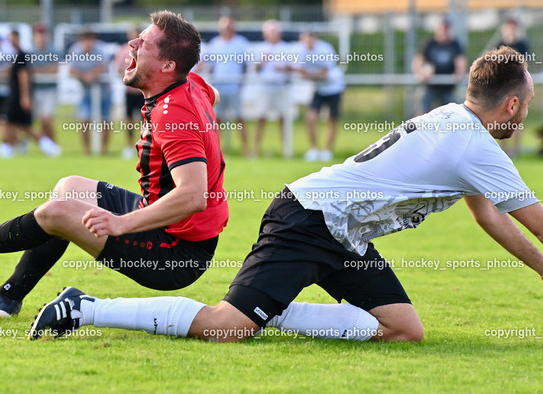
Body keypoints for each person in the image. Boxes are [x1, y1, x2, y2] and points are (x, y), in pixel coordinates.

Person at [29, 47, 543, 344]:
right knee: (225, 328)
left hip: (342, 232)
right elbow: (535, 222)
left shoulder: (453, 120)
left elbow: (490, 217)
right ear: (512, 105)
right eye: (528, 105)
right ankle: (86, 308)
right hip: (309, 219)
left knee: (403, 330)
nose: (526, 116)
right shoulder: (476, 147)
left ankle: (271, 308)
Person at [0, 11, 229, 319]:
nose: (132, 44)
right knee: (69, 188)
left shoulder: (173, 113)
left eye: (143, 43)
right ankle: (7, 297)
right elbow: (210, 96)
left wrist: (121, 224)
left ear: (168, 65)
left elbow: (193, 195)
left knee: (57, 213)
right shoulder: (191, 84)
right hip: (171, 228)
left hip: (177, 255)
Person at [0, 30, 59, 158]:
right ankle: (11, 147)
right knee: (18, 125)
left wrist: (25, 96)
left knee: (13, 123)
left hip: (17, 95)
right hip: (15, 94)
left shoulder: (22, 55)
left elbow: (24, 76)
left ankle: (48, 146)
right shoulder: (15, 55)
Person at [295, 31, 345, 162]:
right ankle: (314, 149)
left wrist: (308, 74)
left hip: (334, 88)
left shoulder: (325, 49)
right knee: (310, 118)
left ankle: (327, 151)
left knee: (332, 119)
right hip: (319, 89)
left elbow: (324, 74)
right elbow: (301, 72)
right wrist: (311, 74)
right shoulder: (302, 52)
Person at [204, 16, 250, 156]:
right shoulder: (215, 43)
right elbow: (210, 66)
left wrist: (241, 82)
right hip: (218, 87)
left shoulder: (241, 43)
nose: (227, 29)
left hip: (234, 87)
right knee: (216, 120)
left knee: (239, 118)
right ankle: (215, 151)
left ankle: (246, 150)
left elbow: (245, 65)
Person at [68, 29, 112, 155]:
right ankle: (86, 150)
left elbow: (103, 66)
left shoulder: (101, 49)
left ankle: (103, 150)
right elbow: (71, 70)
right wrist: (85, 75)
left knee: (105, 121)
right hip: (85, 92)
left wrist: (91, 74)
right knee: (84, 120)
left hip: (104, 92)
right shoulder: (75, 50)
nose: (88, 42)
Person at [413, 18, 466, 114]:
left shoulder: (455, 44)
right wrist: (421, 73)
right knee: (423, 110)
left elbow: (460, 62)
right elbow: (419, 60)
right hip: (430, 85)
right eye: (442, 28)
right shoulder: (429, 43)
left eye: (446, 29)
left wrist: (458, 73)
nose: (444, 31)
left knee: (449, 113)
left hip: (448, 86)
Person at [254, 19, 291, 157]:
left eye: (275, 31)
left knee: (283, 119)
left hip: (281, 87)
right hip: (265, 87)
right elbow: (256, 68)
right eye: (271, 32)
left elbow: (292, 67)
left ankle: (286, 151)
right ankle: (256, 150)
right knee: (260, 118)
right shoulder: (260, 48)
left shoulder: (286, 48)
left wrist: (283, 68)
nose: (273, 34)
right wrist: (263, 60)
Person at [496, 17, 530, 158]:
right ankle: (503, 149)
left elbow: (523, 64)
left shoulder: (522, 45)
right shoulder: (499, 45)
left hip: (518, 86)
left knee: (517, 117)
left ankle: (516, 149)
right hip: (504, 87)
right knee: (502, 117)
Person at [115, 27, 145, 159]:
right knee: (129, 120)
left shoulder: (145, 50)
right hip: (130, 91)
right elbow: (119, 69)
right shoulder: (123, 50)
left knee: (145, 120)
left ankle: (144, 144)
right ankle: (129, 146)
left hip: (143, 91)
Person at [30, 22, 61, 147]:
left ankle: (52, 145)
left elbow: (54, 70)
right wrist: (44, 70)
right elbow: (30, 71)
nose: (41, 37)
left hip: (50, 90)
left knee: (46, 119)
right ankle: (49, 146)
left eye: (43, 33)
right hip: (34, 90)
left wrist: (38, 71)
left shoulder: (54, 51)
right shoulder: (30, 52)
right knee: (34, 122)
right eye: (39, 33)